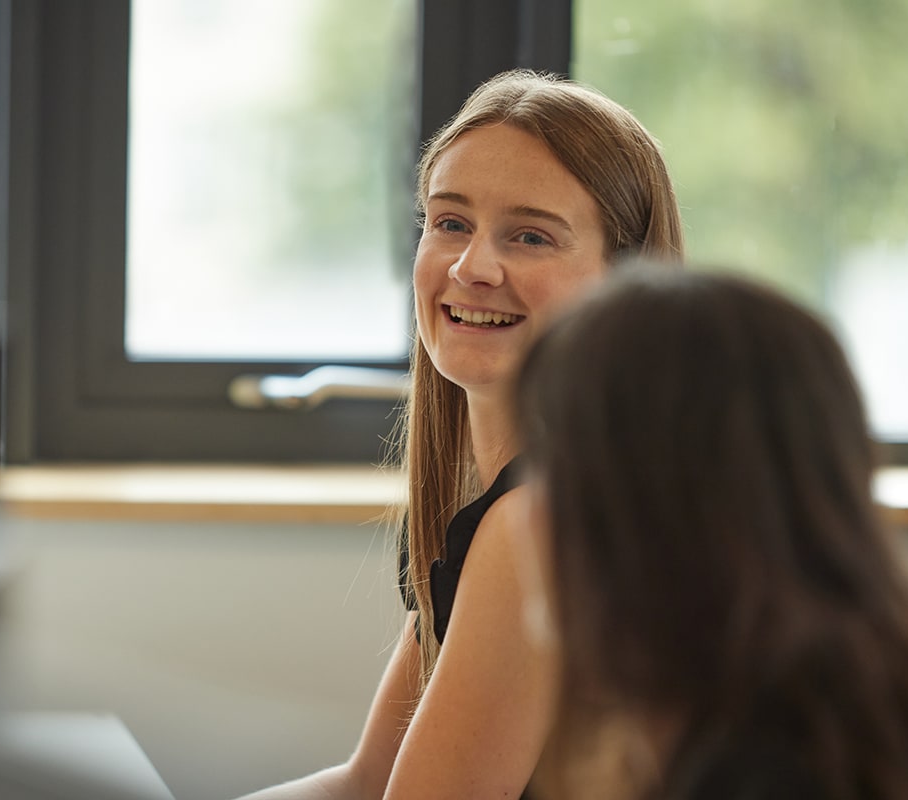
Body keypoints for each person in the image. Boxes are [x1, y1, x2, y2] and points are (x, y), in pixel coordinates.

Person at [239, 69, 683, 799]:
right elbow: (364, 783)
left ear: (621, 284)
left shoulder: (539, 526)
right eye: (449, 223)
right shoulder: (513, 509)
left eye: (530, 236)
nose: (472, 267)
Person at [513, 265, 908, 799]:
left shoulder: (763, 779)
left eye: (552, 471)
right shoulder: (865, 721)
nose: (528, 513)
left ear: (657, 514)